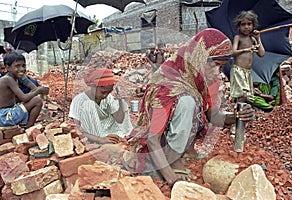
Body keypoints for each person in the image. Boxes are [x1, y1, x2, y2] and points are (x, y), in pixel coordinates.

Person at [123, 28, 255, 187]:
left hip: (179, 143)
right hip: (158, 147)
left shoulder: (208, 81)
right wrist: (172, 179)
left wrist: (236, 116)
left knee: (191, 101)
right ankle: (173, 160)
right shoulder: (166, 84)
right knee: (187, 101)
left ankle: (184, 152)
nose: (217, 72)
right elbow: (153, 140)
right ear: (198, 57)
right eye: (214, 65)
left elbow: (214, 117)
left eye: (221, 67)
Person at [69, 68, 133, 144]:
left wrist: (121, 101)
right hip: (91, 135)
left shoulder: (108, 98)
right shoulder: (79, 101)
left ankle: (124, 137)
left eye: (108, 92)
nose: (105, 95)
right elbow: (77, 131)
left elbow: (119, 120)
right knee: (88, 105)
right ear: (93, 86)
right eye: (103, 92)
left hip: (107, 131)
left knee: (123, 105)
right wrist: (100, 139)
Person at [0, 51, 49, 128]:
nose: (22, 69)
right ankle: (28, 127)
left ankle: (24, 124)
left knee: (32, 98)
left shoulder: (15, 77)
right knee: (37, 101)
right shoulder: (8, 79)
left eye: (23, 66)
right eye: (17, 66)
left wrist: (39, 90)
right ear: (7, 67)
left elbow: (33, 88)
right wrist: (39, 90)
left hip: (7, 114)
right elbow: (24, 98)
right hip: (4, 116)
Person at [230, 10, 265, 103]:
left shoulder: (253, 39)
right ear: (239, 26)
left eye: (249, 24)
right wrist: (245, 50)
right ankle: (239, 114)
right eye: (243, 24)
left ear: (253, 26)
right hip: (238, 70)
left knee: (247, 95)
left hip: (247, 72)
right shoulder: (238, 37)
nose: (246, 27)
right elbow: (233, 52)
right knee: (242, 94)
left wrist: (258, 39)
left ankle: (242, 112)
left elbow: (261, 54)